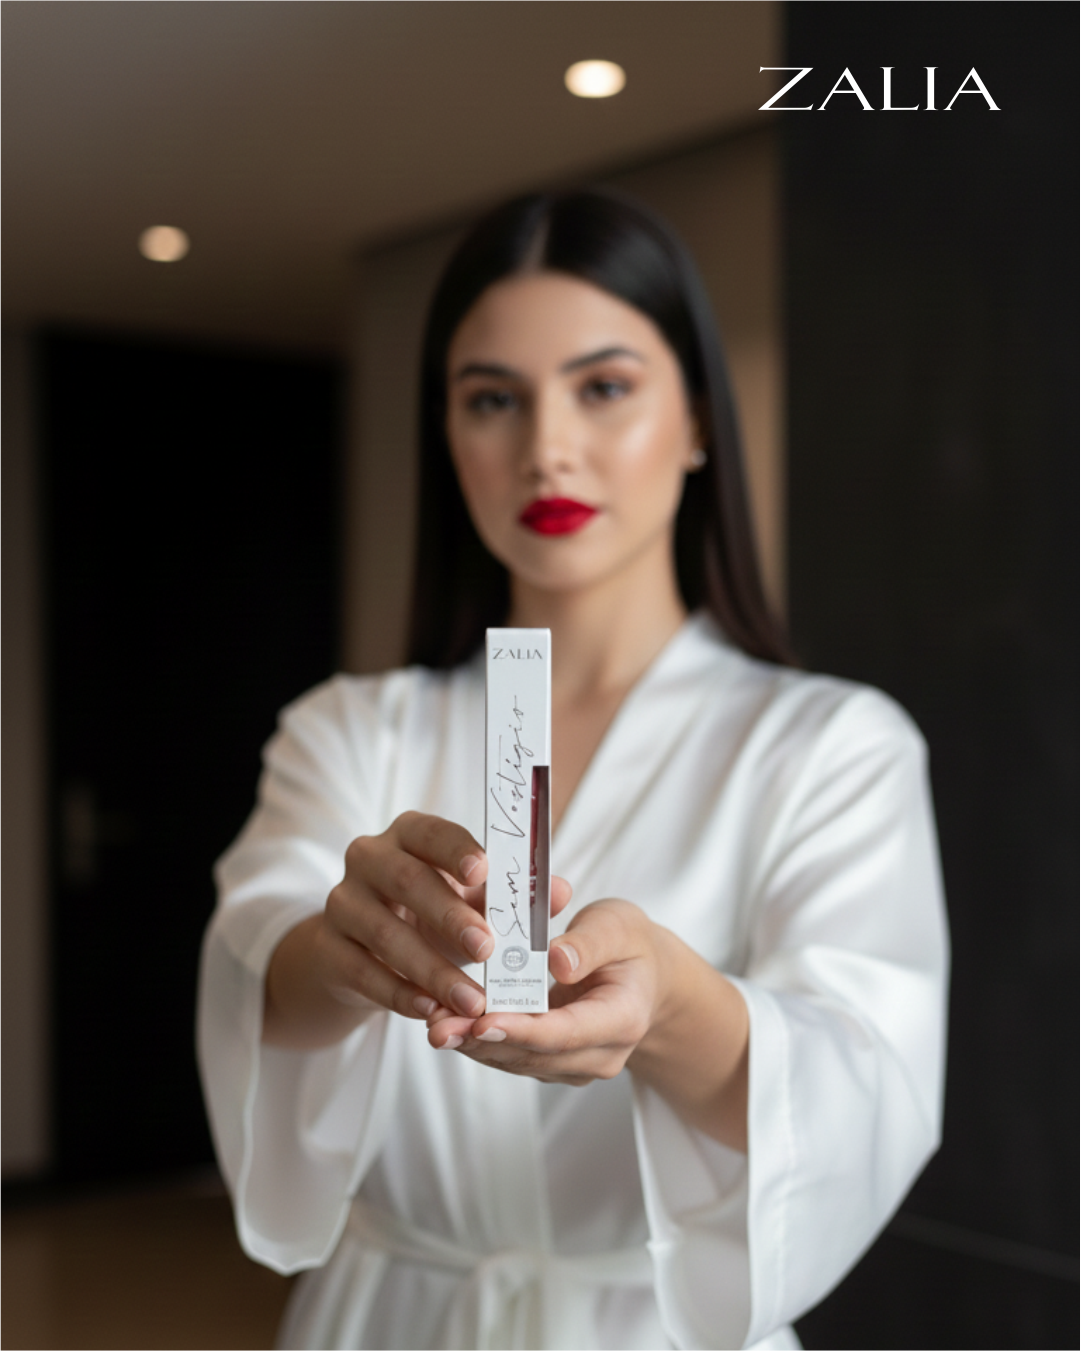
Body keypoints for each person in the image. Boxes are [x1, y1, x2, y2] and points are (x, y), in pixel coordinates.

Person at [197, 190, 949, 1351]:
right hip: (392, 1317)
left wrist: (673, 1004)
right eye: (492, 398)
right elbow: (254, 956)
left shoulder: (831, 745)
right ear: (447, 435)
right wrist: (341, 951)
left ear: (696, 419)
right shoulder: (349, 730)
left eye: (602, 387)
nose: (545, 446)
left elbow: (865, 1081)